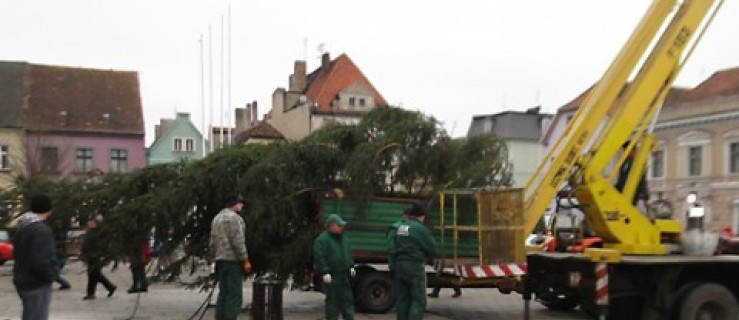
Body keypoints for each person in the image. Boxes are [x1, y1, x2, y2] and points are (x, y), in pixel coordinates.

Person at [13, 193, 59, 320]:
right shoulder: (41, 231)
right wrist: (51, 275)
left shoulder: (23, 227)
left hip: (23, 279)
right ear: (48, 210)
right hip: (36, 283)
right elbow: (41, 260)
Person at [391, 203, 437, 320]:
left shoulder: (401, 227)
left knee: (403, 298)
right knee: (418, 299)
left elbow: (394, 244)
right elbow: (432, 248)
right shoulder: (420, 228)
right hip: (414, 267)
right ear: (422, 216)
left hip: (400, 265)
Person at [209, 193, 250, 320]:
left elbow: (212, 242)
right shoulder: (235, 219)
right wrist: (245, 260)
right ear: (235, 204)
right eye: (240, 202)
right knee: (234, 294)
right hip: (233, 260)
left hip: (220, 259)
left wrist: (213, 257)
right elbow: (238, 242)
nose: (242, 205)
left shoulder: (216, 218)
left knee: (223, 292)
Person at [314, 214, 355, 320]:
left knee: (347, 301)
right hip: (332, 277)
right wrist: (325, 272)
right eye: (339, 225)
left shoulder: (343, 238)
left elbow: (348, 253)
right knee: (333, 303)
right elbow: (320, 257)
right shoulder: (322, 240)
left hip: (344, 276)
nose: (342, 227)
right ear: (331, 226)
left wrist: (351, 266)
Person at [81, 214, 117, 300]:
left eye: (91, 221)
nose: (88, 223)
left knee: (93, 275)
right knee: (95, 275)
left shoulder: (98, 232)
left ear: (95, 223)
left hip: (95, 256)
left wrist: (97, 254)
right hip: (90, 255)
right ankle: (110, 287)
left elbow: (100, 245)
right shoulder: (91, 231)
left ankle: (91, 293)